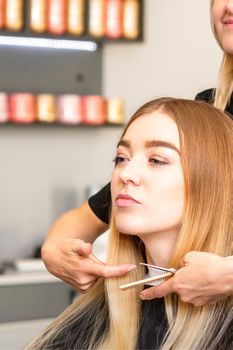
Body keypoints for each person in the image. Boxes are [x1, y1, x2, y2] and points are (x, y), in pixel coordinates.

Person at [42, 0, 233, 304]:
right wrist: (54, 248)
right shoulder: (214, 114)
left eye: (157, 160)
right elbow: (84, 220)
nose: (228, 7)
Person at [27, 98, 233, 350]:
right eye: (121, 158)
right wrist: (53, 246)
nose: (125, 174)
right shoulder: (102, 315)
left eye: (156, 160)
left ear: (213, 182)